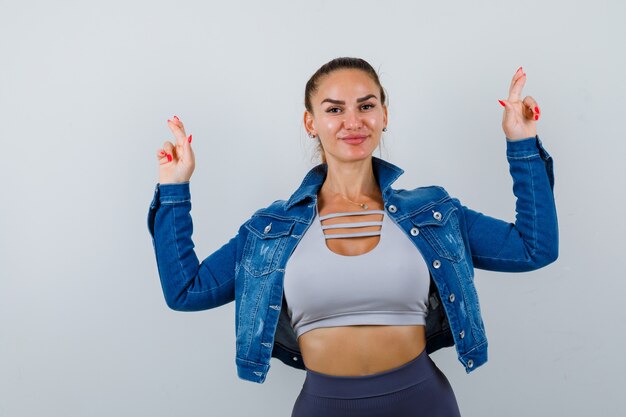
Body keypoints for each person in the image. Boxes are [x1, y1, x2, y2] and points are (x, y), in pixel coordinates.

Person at [147, 57, 558, 417]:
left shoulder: (434, 213)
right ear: (311, 122)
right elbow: (186, 290)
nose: (353, 121)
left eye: (366, 106)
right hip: (323, 406)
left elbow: (533, 247)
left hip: (423, 403)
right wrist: (174, 189)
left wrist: (520, 143)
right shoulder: (270, 229)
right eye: (334, 109)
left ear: (384, 115)